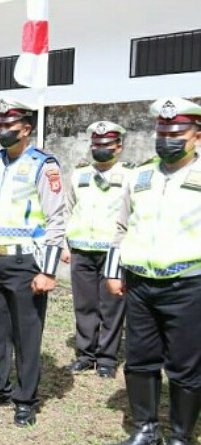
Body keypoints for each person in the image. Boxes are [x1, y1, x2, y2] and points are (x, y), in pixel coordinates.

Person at [104, 97, 201, 445]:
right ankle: (145, 429)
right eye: (162, 131)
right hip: (140, 284)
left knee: (185, 365)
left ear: (197, 136)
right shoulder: (140, 174)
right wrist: (114, 272)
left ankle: (179, 435)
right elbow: (122, 226)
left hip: (188, 285)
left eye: (176, 132)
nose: (167, 139)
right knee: (139, 359)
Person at [0, 98, 66, 427]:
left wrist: (48, 270)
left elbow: (56, 220)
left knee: (26, 334)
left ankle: (25, 399)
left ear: (26, 129)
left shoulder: (43, 165)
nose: (2, 131)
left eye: (9, 126)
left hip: (26, 263)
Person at [61, 121, 129, 379]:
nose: (100, 148)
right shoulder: (79, 175)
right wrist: (65, 245)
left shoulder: (131, 176)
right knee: (84, 305)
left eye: (106, 145)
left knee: (111, 306)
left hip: (113, 252)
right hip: (81, 249)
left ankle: (107, 359)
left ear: (118, 147)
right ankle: (85, 355)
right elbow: (68, 209)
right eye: (96, 144)